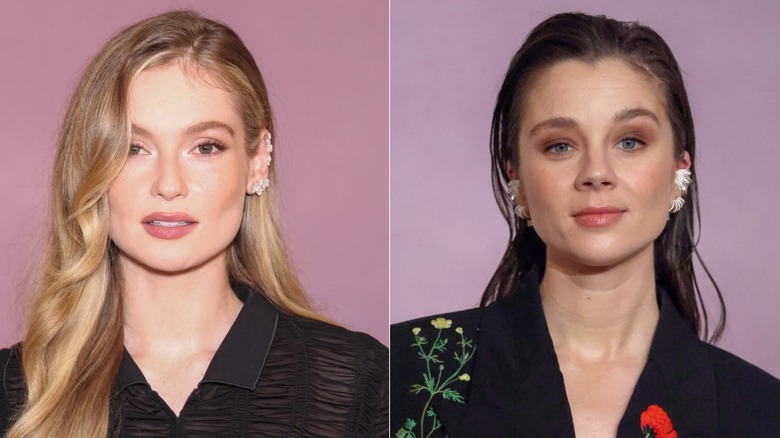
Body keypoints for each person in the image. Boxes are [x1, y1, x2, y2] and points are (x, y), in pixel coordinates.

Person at [391, 12, 780, 437]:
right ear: (517, 180)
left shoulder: (763, 411)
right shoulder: (398, 372)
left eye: (630, 141)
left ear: (679, 171)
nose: (596, 172)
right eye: (560, 146)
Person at [0, 10, 387, 437]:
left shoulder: (362, 382)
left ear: (257, 161)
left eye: (205, 147)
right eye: (133, 148)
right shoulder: (12, 389)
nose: (169, 185)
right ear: (89, 167)